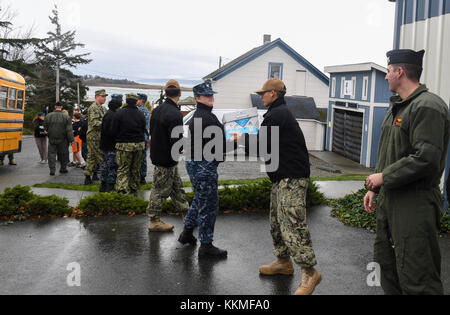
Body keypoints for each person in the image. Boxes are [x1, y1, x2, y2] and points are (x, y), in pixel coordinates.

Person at [364, 49, 449, 295]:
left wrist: (384, 177)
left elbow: (426, 158)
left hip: (415, 203)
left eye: (388, 71)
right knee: (387, 267)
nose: (386, 76)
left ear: (400, 72)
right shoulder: (397, 109)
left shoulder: (428, 106)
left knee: (418, 274)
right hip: (391, 200)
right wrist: (375, 188)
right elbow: (390, 153)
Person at [234, 78, 321, 295]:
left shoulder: (277, 115)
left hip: (292, 178)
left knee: (293, 224)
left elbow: (263, 146)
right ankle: (283, 262)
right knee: (276, 223)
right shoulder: (277, 113)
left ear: (273, 93)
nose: (260, 96)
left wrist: (239, 139)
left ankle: (310, 273)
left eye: (263, 93)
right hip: (282, 177)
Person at [180, 81, 229, 259]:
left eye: (211, 95)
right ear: (197, 98)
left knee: (200, 199)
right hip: (204, 166)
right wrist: (236, 140)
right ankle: (206, 246)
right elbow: (219, 144)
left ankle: (186, 232)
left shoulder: (200, 115)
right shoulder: (206, 117)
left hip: (196, 163)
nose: (211, 98)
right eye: (207, 96)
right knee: (209, 205)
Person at [147, 80, 190, 232]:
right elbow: (175, 139)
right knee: (159, 190)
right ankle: (154, 220)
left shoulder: (157, 110)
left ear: (165, 93)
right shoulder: (175, 114)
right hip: (167, 158)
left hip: (159, 154)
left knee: (177, 187)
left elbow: (152, 132)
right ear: (180, 94)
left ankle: (187, 215)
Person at [111, 93, 146, 195]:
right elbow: (143, 129)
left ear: (126, 101)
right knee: (135, 168)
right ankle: (134, 189)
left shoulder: (119, 113)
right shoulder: (141, 114)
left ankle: (122, 190)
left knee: (123, 168)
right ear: (136, 101)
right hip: (138, 145)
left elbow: (113, 130)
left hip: (123, 145)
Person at [99, 94, 122, 193]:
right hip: (111, 145)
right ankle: (110, 186)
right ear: (117, 107)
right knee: (112, 166)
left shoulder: (107, 114)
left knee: (105, 165)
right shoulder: (113, 116)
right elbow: (111, 131)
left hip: (105, 144)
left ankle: (103, 185)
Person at [84, 89, 108, 185]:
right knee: (102, 157)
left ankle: (88, 176)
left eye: (105, 96)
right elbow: (94, 123)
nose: (104, 98)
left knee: (92, 157)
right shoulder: (94, 108)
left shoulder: (102, 108)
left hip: (98, 136)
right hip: (94, 136)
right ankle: (106, 179)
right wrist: (107, 123)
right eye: (103, 96)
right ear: (97, 97)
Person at [44, 102, 74, 176]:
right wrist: (71, 140)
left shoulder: (48, 116)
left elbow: (45, 128)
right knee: (63, 154)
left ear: (55, 107)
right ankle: (63, 168)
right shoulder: (66, 117)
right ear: (61, 107)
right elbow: (69, 130)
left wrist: (49, 134)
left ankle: (52, 170)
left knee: (51, 155)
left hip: (52, 138)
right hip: (63, 139)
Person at [137, 93, 151, 184]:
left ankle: (139, 176)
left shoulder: (139, 110)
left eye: (138, 99)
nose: (136, 101)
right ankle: (142, 176)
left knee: (138, 158)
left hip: (139, 137)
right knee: (143, 157)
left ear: (142, 100)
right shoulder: (146, 110)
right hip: (145, 136)